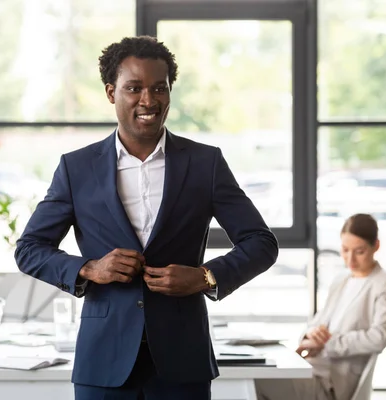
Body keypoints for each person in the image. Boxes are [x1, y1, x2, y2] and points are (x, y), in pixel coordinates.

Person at [15, 36, 279, 400]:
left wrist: (205, 276)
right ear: (111, 92)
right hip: (103, 362)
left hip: (183, 360)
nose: (148, 100)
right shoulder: (77, 168)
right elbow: (29, 249)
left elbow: (261, 243)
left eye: (159, 88)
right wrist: (88, 269)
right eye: (134, 88)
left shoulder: (205, 163)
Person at [256, 213, 386, 400]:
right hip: (311, 367)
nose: (350, 260)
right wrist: (312, 335)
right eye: (345, 250)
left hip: (333, 381)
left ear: (376, 246)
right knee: (254, 377)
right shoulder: (341, 279)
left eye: (359, 251)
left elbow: (378, 337)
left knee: (255, 382)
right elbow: (316, 323)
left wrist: (327, 342)